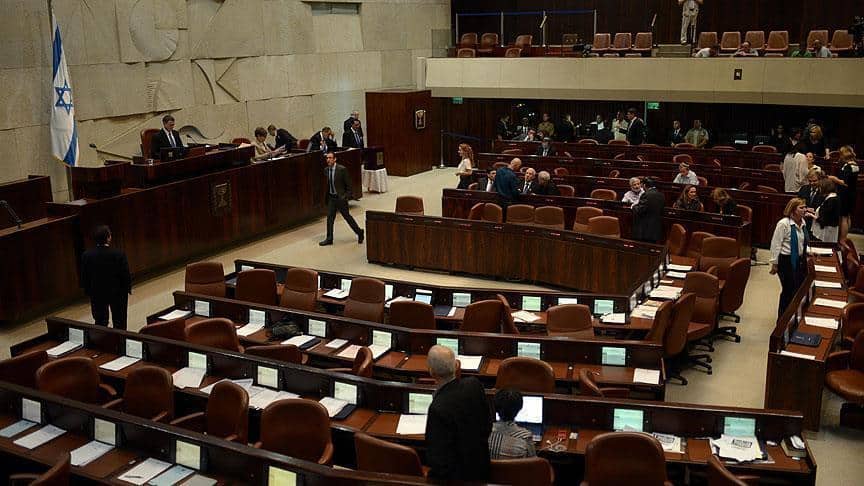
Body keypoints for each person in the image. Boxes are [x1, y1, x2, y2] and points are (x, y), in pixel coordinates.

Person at [425, 345, 492, 481]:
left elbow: (437, 459)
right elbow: (488, 425)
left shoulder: (437, 408)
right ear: (456, 365)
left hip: (455, 479)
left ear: (431, 372)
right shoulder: (474, 385)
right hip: (482, 468)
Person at [80, 225, 131, 330]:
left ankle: (102, 338)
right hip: (118, 292)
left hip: (97, 292)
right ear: (109, 238)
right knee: (120, 320)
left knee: (100, 321)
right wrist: (127, 288)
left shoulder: (87, 255)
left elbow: (85, 276)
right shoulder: (118, 254)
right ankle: (120, 339)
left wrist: (88, 291)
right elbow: (125, 274)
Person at [769, 198, 809, 316]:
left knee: (798, 289)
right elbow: (776, 244)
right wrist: (774, 263)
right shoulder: (783, 224)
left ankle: (794, 316)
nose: (805, 209)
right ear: (793, 210)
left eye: (805, 207)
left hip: (800, 261)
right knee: (788, 291)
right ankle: (782, 319)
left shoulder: (803, 222)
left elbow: (802, 242)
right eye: (801, 207)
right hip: (786, 261)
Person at [319, 152, 364, 246]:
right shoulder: (326, 170)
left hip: (340, 198)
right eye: (327, 158)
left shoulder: (342, 169)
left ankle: (359, 232)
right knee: (330, 218)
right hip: (331, 198)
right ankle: (329, 238)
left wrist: (345, 197)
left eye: (330, 158)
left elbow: (349, 186)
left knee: (347, 217)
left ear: (335, 159)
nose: (328, 160)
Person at [489, 389, 536, 459]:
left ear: (495, 408)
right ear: (520, 408)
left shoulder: (484, 432)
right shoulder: (525, 437)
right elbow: (533, 462)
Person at [836, 146, 859, 240]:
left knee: (844, 217)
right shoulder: (855, 165)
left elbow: (844, 182)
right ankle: (844, 238)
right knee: (847, 216)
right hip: (851, 193)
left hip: (845, 194)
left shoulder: (849, 166)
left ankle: (842, 239)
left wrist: (834, 179)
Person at [633, 178, 665, 243]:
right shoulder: (661, 195)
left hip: (645, 228)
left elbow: (640, 210)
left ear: (644, 185)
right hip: (656, 227)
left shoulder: (646, 194)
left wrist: (633, 206)